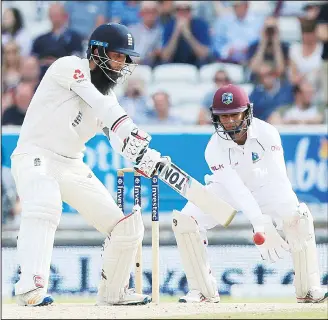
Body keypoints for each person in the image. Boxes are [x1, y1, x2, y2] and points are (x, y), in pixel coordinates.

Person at [10, 22, 169, 307]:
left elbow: (118, 139)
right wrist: (126, 125)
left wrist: (145, 156)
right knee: (45, 202)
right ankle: (29, 287)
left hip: (70, 165)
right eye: (117, 56)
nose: (121, 65)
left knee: (126, 226)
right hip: (36, 155)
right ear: (96, 53)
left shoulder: (110, 98)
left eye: (125, 59)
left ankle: (114, 293)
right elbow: (101, 105)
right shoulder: (68, 67)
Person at [172, 84, 328, 304]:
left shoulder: (267, 133)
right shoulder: (213, 148)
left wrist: (280, 220)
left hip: (266, 187)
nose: (229, 121)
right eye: (223, 116)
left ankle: (309, 288)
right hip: (224, 191)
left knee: (298, 217)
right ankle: (203, 292)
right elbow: (235, 188)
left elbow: (280, 181)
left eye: (234, 114)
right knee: (186, 220)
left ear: (247, 112)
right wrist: (259, 222)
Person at [161, 0, 211, 67]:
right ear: (175, 11)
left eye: (186, 9)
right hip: (173, 65)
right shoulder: (169, 25)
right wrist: (176, 32)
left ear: (191, 11)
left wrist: (188, 35)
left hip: (196, 66)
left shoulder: (201, 24)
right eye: (179, 9)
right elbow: (165, 56)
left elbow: (204, 55)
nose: (183, 12)